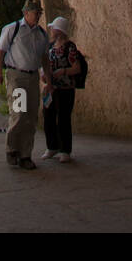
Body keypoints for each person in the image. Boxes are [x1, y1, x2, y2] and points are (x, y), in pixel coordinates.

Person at [0, 0, 52, 170]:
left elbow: (44, 58)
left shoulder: (42, 35)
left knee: (31, 117)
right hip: (17, 77)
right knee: (19, 113)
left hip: (32, 78)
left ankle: (26, 154)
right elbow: (0, 53)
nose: (38, 16)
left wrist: (46, 76)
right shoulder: (13, 29)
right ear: (26, 13)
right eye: (35, 13)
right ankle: (12, 149)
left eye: (39, 13)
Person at [41, 16, 81, 162]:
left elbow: (77, 68)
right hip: (51, 88)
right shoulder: (50, 47)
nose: (51, 30)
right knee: (48, 117)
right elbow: (45, 64)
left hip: (65, 89)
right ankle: (52, 146)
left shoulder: (70, 47)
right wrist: (44, 75)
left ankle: (65, 149)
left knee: (63, 118)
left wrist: (63, 71)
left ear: (59, 30)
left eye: (53, 28)